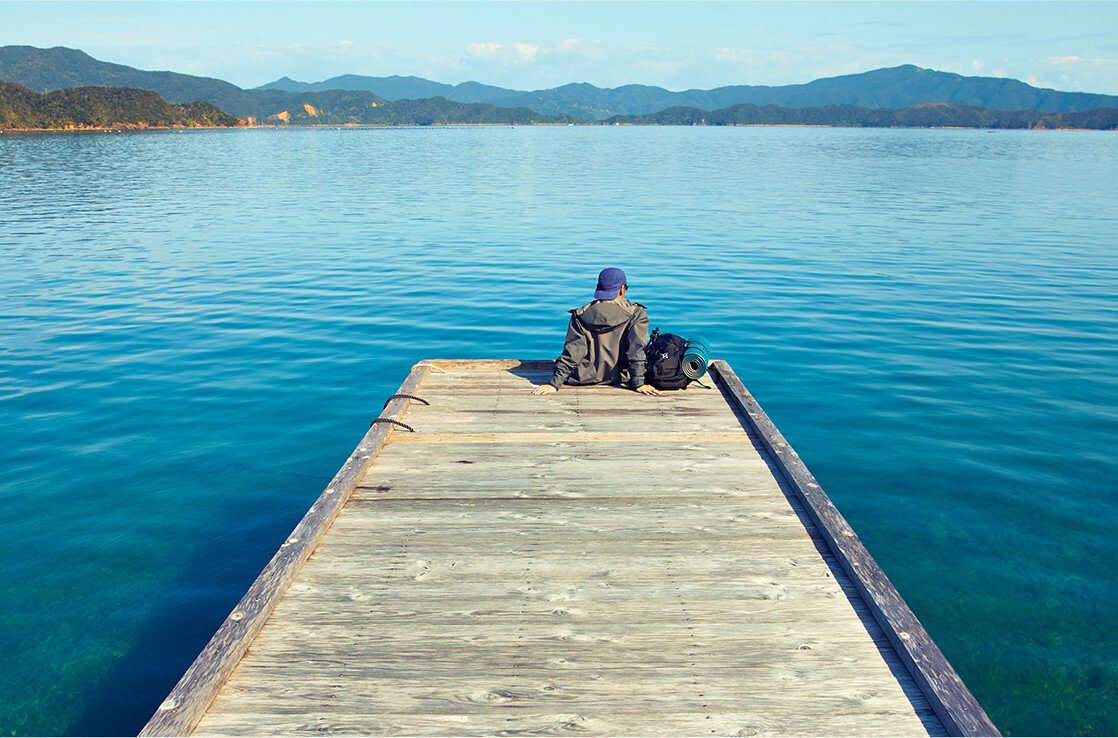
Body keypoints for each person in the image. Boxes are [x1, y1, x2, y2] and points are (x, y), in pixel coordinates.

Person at [532, 268, 661, 396]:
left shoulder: (580, 314)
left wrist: (554, 383)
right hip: (622, 378)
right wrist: (639, 383)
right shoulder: (636, 314)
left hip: (584, 378)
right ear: (622, 289)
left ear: (598, 288)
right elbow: (636, 351)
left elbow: (573, 351)